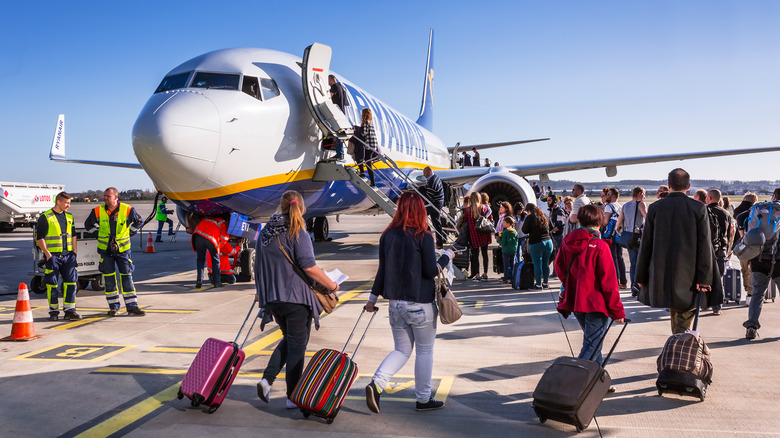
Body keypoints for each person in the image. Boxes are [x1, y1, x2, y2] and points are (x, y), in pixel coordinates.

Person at [364, 191, 453, 413]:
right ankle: (423, 399)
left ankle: (377, 384)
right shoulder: (423, 236)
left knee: (401, 350)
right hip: (420, 304)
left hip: (395, 305)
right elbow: (430, 270)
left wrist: (371, 300)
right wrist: (447, 257)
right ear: (421, 210)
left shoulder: (388, 236)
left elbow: (382, 271)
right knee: (424, 351)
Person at [255, 190, 339, 409]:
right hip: (295, 299)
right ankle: (293, 396)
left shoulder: (266, 232)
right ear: (301, 208)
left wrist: (262, 293)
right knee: (297, 348)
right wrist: (331, 285)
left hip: (274, 299)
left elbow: (258, 266)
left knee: (291, 340)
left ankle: (267, 380)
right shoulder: (297, 230)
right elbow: (309, 266)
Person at [635, 169, 721, 334]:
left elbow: (646, 244)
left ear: (669, 185)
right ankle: (679, 354)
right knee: (682, 322)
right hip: (689, 276)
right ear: (688, 186)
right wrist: (704, 278)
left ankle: (677, 351)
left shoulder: (655, 208)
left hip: (662, 274)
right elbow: (704, 245)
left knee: (678, 322)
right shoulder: (698, 208)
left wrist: (641, 276)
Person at [556, 204, 626, 365]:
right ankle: (574, 381)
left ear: (579, 220)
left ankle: (598, 380)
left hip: (576, 301)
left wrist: (573, 283)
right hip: (596, 303)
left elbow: (559, 268)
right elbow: (609, 282)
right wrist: (617, 311)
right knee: (592, 345)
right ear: (599, 222)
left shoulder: (568, 241)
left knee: (594, 343)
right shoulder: (600, 246)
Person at [84, 187, 146, 316]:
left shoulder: (127, 209)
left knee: (127, 277)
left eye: (108, 196)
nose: (105, 198)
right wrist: (98, 235)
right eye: (105, 196)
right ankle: (114, 307)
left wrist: (129, 233)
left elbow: (139, 222)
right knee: (109, 279)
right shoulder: (97, 210)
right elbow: (88, 225)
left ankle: (132, 306)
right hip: (106, 251)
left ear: (116, 197)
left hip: (122, 250)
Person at [739, 188, 780, 340]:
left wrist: (744, 238)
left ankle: (751, 326)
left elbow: (740, 218)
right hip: (779, 260)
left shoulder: (760, 209)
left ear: (774, 196)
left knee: (757, 293)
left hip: (759, 258)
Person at [36, 191, 80, 321]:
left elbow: (74, 235)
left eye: (69, 203)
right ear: (58, 202)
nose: (68, 206)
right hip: (53, 257)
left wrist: (74, 252)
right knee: (52, 285)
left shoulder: (70, 217)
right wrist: (48, 254)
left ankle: (70, 311)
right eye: (66, 203)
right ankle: (53, 312)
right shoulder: (46, 217)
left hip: (68, 257)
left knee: (71, 283)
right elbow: (40, 239)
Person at [615, 186, 647, 296]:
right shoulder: (641, 204)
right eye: (643, 194)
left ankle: (634, 287)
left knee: (633, 262)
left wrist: (620, 232)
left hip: (628, 236)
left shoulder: (625, 205)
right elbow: (646, 217)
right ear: (639, 194)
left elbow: (619, 223)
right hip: (637, 235)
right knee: (641, 262)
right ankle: (639, 286)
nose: (644, 197)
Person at [705, 188, 731, 316]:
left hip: (708, 249)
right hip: (722, 249)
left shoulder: (705, 211)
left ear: (709, 198)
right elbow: (730, 233)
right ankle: (717, 307)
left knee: (704, 277)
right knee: (719, 278)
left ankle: (704, 304)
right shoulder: (726, 213)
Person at [522, 203, 554, 289]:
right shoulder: (544, 216)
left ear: (528, 210)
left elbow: (524, 230)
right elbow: (551, 228)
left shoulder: (530, 217)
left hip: (536, 243)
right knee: (546, 263)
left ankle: (538, 284)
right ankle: (545, 283)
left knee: (537, 264)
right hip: (548, 242)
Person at [192, 215, 228, 289]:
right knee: (215, 260)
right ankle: (217, 282)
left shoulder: (205, 219)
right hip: (210, 239)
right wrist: (218, 247)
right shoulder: (222, 222)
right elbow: (224, 238)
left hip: (198, 237)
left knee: (200, 260)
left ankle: (199, 280)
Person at [733, 192, 758, 299]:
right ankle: (752, 293)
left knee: (744, 269)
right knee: (753, 269)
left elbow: (736, 216)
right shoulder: (756, 210)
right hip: (755, 243)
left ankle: (748, 289)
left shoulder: (739, 211)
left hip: (742, 245)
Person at [464, 192, 492, 281]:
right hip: (484, 233)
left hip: (474, 234)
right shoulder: (484, 208)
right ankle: (485, 273)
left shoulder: (468, 210)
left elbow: (465, 222)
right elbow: (490, 218)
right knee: (485, 254)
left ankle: (477, 274)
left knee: (475, 255)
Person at [602, 188, 627, 289]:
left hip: (609, 236)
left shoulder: (609, 207)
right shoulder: (620, 206)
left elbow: (605, 222)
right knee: (620, 257)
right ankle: (623, 281)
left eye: (608, 194)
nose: (606, 196)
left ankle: (615, 280)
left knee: (613, 258)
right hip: (618, 235)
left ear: (613, 196)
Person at [422, 166, 445, 248]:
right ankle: (439, 243)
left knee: (421, 215)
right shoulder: (435, 177)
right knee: (436, 222)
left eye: (424, 173)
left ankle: (429, 236)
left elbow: (430, 195)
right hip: (438, 202)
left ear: (429, 172)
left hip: (435, 203)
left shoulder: (432, 181)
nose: (424, 175)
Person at [355, 108, 378, 187]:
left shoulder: (366, 122)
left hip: (369, 145)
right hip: (373, 145)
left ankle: (371, 181)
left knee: (366, 162)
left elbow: (363, 133)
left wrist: (356, 129)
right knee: (368, 162)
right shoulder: (370, 122)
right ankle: (370, 180)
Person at [497, 216, 518, 284]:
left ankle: (505, 278)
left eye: (504, 222)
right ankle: (512, 278)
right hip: (513, 250)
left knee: (506, 265)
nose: (503, 223)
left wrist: (498, 239)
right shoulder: (515, 231)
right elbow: (517, 240)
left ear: (508, 223)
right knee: (512, 264)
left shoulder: (506, 232)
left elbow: (503, 242)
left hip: (506, 250)